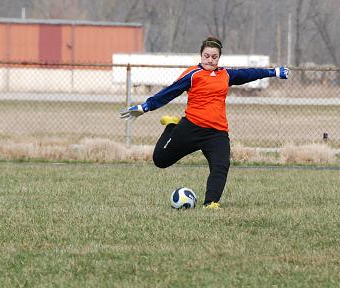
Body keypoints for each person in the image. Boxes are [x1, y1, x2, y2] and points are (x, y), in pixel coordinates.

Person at [119, 36, 289, 208]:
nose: (210, 60)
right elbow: (170, 91)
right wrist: (146, 106)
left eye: (214, 57)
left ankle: (211, 203)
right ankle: (172, 126)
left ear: (219, 58)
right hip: (191, 127)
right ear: (201, 56)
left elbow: (248, 74)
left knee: (221, 166)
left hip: (217, 133)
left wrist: (273, 72)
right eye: (207, 56)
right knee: (160, 160)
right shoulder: (193, 74)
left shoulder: (225, 74)